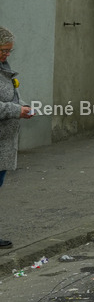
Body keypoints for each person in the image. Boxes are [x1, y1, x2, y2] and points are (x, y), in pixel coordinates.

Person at [0, 27, 35, 249]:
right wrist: (16, 111)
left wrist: (23, 106)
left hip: (4, 141)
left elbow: (13, 92)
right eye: (4, 50)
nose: (7, 55)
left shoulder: (5, 67)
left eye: (9, 51)